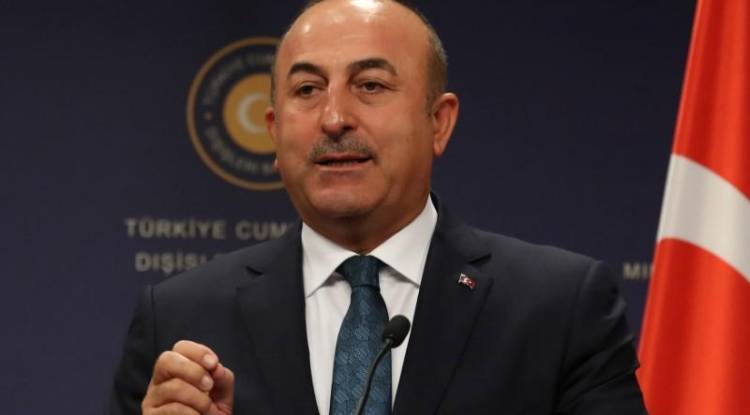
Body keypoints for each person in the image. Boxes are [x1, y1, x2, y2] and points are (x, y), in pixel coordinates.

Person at [110, 0, 646, 414]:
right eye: (307, 90)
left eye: (370, 85)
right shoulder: (179, 320)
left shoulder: (559, 309)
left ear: (438, 122)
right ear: (273, 131)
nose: (334, 118)